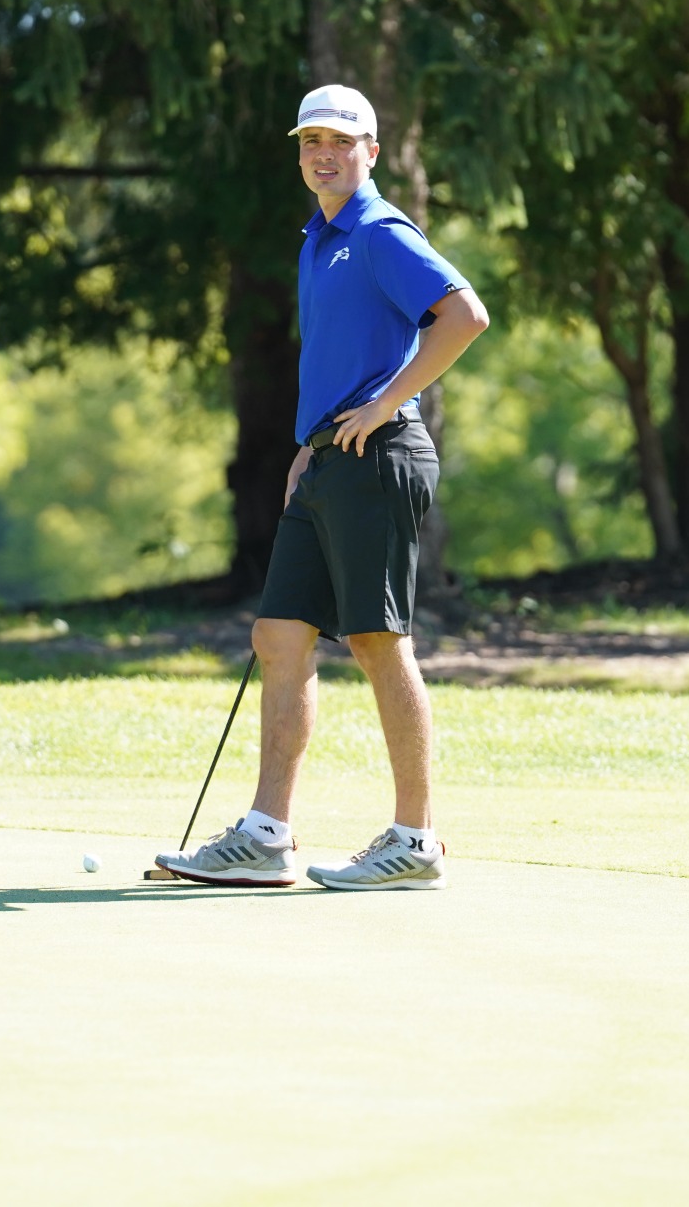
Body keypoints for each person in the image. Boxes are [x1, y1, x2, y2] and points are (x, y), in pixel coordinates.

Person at [156, 83, 489, 892]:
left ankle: (416, 839)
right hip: (329, 458)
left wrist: (383, 404)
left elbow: (465, 316)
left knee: (377, 641)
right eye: (312, 141)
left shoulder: (378, 231)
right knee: (278, 636)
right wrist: (308, 447)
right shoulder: (319, 238)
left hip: (380, 451)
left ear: (371, 152)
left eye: (342, 141)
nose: (325, 154)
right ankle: (266, 836)